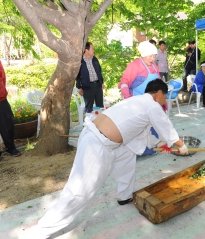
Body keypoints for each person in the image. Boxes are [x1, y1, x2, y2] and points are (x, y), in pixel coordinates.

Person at [28, 79, 189, 239]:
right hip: (97, 145)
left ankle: (124, 195)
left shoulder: (137, 102)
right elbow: (167, 128)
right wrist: (181, 145)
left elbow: (141, 133)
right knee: (79, 192)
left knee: (127, 155)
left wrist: (161, 144)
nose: (164, 100)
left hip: (102, 140)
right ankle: (39, 232)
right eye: (164, 95)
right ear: (159, 93)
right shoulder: (152, 105)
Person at [0, 58, 21, 163]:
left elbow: (3, 78)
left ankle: (11, 148)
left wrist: (0, 93)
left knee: (7, 125)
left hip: (0, 100)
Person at [76, 42, 105, 113]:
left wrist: (101, 82)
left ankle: (100, 123)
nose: (94, 50)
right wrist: (79, 87)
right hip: (87, 87)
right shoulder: (80, 61)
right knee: (89, 108)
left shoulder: (94, 59)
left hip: (98, 85)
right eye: (92, 49)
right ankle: (89, 123)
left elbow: (99, 71)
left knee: (100, 106)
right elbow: (77, 76)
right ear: (86, 50)